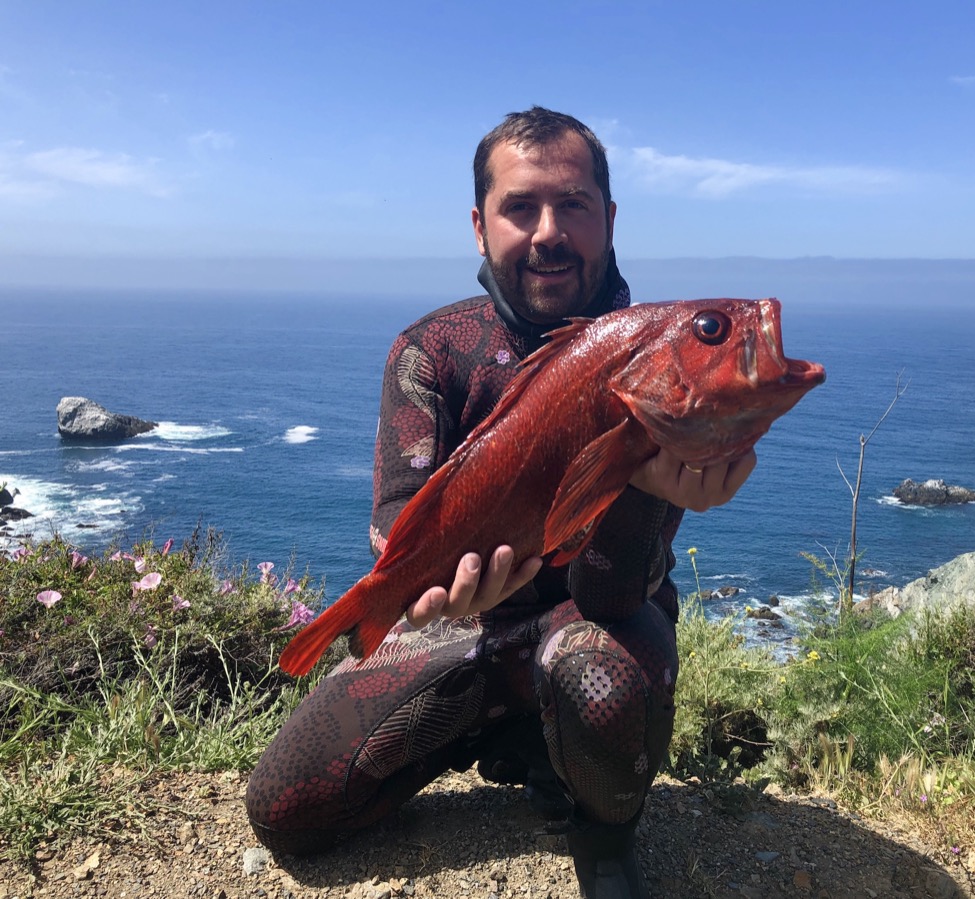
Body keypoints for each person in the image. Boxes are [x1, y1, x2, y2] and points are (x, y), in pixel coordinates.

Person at [245, 106, 756, 899]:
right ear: (480, 227)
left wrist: (645, 492)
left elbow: (615, 594)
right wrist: (432, 592)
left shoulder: (666, 356)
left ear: (609, 218)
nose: (549, 231)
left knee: (601, 676)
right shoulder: (430, 350)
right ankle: (505, 733)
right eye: (521, 207)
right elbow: (396, 524)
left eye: (573, 204)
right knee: (286, 806)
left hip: (595, 624)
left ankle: (602, 828)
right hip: (462, 630)